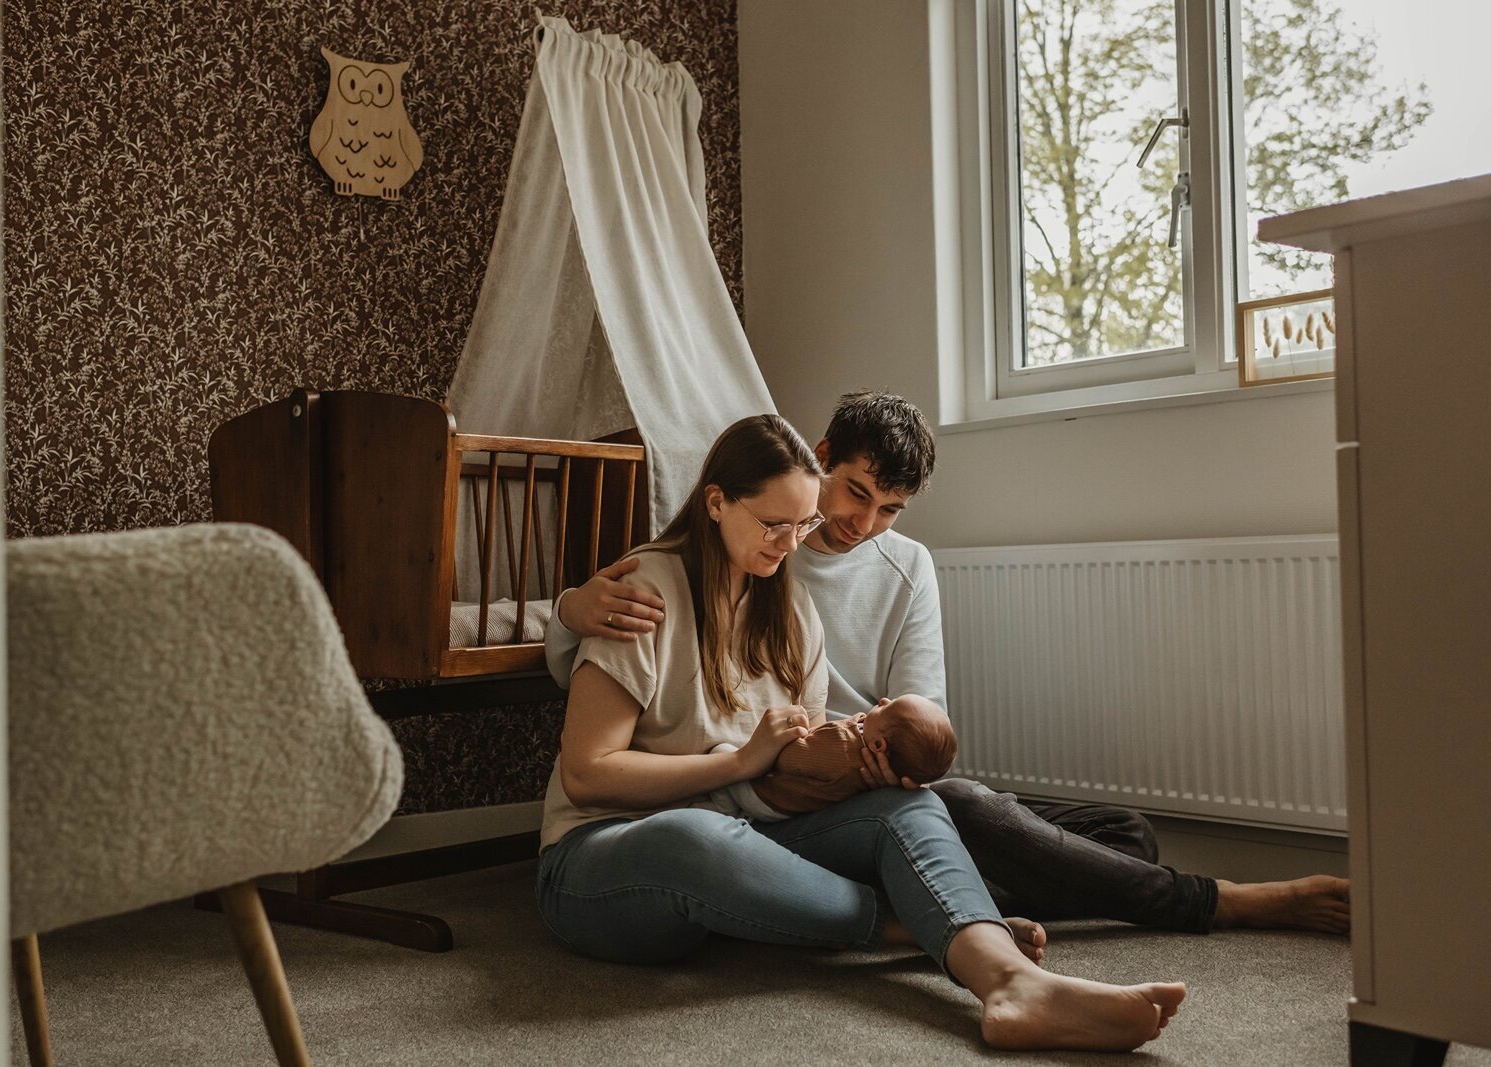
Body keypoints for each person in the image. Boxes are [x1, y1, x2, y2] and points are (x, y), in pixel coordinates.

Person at [548, 392, 1351, 935]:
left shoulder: (873, 571)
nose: (862, 522)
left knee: (1122, 832)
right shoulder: (743, 549)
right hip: (781, 780)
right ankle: (1209, 901)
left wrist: (873, 745)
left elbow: (920, 711)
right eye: (855, 492)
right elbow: (630, 652)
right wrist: (568, 610)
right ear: (821, 459)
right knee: (972, 814)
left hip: (863, 760)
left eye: (888, 508)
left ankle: (957, 893)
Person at [537, 412, 1185, 1053]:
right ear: (715, 502)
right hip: (605, 848)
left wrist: (841, 764)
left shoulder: (788, 607)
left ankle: (1012, 980)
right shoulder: (644, 592)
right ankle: (910, 927)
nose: (790, 545)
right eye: (773, 525)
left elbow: (791, 763)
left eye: (802, 525)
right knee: (695, 837)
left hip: (744, 828)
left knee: (911, 805)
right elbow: (588, 772)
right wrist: (740, 761)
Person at [709, 694, 955, 821]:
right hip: (802, 807)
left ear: (878, 745)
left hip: (768, 800)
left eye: (887, 707)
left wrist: (781, 740)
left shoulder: (840, 748)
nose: (883, 699)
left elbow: (790, 761)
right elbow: (860, 727)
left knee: (721, 752)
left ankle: (725, 811)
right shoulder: (866, 748)